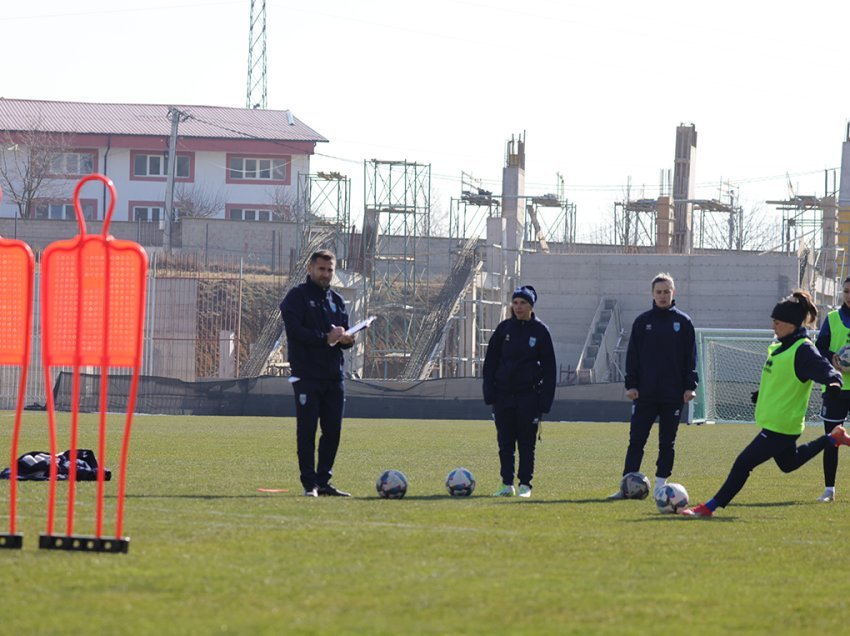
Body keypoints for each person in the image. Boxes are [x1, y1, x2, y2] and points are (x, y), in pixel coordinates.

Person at [683, 290, 850, 517]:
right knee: (788, 464)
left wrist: (833, 382)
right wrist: (761, 394)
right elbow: (781, 379)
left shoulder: (803, 349)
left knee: (743, 463)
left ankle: (709, 507)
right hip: (777, 422)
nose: (773, 326)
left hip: (781, 424)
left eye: (777, 322)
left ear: (791, 324)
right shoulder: (780, 347)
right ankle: (833, 438)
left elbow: (827, 370)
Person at [608, 272, 698, 499]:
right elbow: (632, 357)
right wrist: (631, 385)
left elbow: (691, 358)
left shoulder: (684, 322)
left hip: (673, 394)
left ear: (673, 293)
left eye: (667, 291)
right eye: (659, 292)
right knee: (636, 441)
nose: (663, 295)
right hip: (645, 394)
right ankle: (626, 486)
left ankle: (660, 486)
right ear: (652, 294)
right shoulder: (642, 322)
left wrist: (689, 386)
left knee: (667, 442)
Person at [279, 250, 355, 497]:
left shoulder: (337, 300)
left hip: (334, 376)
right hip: (307, 375)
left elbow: (345, 337)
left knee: (333, 430)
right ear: (310, 269)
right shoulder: (296, 297)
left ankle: (324, 481)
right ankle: (309, 484)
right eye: (321, 269)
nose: (325, 274)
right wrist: (325, 338)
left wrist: (346, 339)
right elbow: (295, 331)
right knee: (307, 430)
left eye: (330, 270)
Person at [482, 285, 556, 499]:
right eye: (515, 303)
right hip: (503, 395)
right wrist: (490, 393)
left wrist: (544, 401)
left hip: (528, 397)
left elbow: (550, 368)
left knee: (526, 443)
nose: (518, 307)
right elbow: (490, 364)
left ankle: (525, 485)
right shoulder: (503, 329)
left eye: (523, 303)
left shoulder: (540, 331)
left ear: (531, 306)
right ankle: (507, 483)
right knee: (504, 443)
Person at [814, 276, 850, 502]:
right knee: (831, 438)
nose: (849, 295)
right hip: (836, 388)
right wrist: (834, 359)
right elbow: (819, 349)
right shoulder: (833, 318)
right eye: (846, 291)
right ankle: (829, 489)